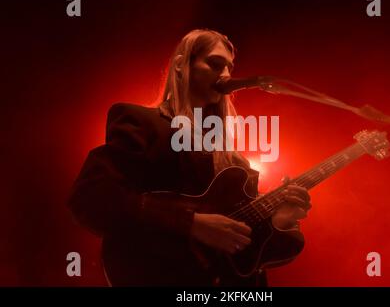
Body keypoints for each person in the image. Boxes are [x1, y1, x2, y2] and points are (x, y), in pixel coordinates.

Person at [68, 29, 312, 286]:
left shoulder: (235, 163)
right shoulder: (141, 122)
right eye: (215, 64)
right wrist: (191, 223)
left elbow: (253, 256)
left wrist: (280, 221)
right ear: (181, 65)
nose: (227, 75)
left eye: (229, 67)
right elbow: (91, 196)